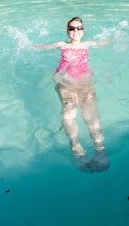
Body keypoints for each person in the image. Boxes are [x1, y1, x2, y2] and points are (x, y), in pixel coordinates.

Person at [36, 17, 111, 172]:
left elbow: (104, 43)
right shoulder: (62, 45)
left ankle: (100, 149)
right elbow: (42, 47)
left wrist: (117, 36)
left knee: (91, 115)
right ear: (67, 31)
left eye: (79, 28)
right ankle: (76, 148)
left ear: (83, 31)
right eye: (72, 28)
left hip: (84, 82)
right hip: (65, 81)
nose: (75, 31)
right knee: (69, 111)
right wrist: (23, 42)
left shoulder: (88, 44)